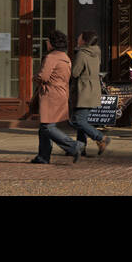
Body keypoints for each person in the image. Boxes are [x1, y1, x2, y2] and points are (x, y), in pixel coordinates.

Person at [31, 29, 82, 164]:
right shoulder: (65, 57)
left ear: (52, 43)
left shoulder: (51, 57)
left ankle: (74, 146)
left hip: (51, 94)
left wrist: (34, 77)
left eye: (47, 41)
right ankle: (43, 156)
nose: (46, 43)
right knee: (44, 127)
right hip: (62, 92)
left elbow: (44, 76)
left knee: (47, 127)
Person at [71, 30, 109, 157]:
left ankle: (100, 137)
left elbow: (75, 73)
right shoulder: (96, 52)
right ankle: (80, 148)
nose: (78, 38)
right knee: (82, 120)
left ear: (84, 41)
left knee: (78, 120)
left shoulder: (82, 54)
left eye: (80, 37)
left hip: (84, 90)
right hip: (93, 89)